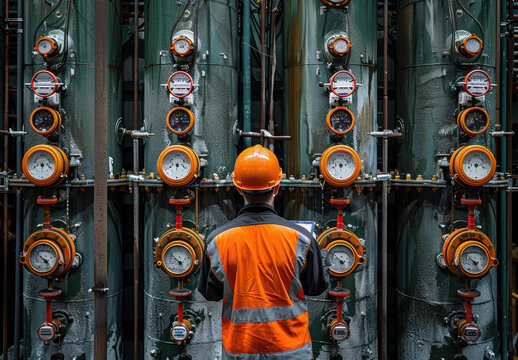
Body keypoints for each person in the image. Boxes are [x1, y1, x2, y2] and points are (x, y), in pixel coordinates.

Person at [198, 145, 329, 359]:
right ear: (277, 187)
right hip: (291, 351)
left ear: (239, 189)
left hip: (241, 351)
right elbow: (316, 287)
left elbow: (209, 292)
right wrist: (319, 254)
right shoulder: (301, 239)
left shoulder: (217, 241)